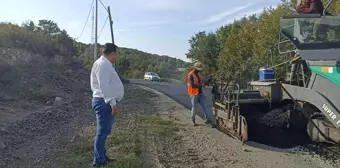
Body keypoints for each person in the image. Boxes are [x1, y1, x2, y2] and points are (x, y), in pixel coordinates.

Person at [90, 43, 124, 167]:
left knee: (104, 131)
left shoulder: (105, 64)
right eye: (116, 54)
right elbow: (104, 86)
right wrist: (113, 103)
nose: (117, 57)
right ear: (112, 53)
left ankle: (101, 155)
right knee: (102, 132)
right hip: (103, 102)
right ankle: (98, 160)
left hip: (105, 101)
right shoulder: (103, 65)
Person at [186, 62, 216, 128]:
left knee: (205, 106)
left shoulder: (198, 74)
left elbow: (202, 83)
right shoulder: (190, 75)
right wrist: (201, 85)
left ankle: (207, 120)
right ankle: (192, 120)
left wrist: (209, 79)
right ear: (195, 68)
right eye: (199, 69)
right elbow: (193, 85)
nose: (200, 70)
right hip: (194, 94)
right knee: (195, 108)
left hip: (200, 93)